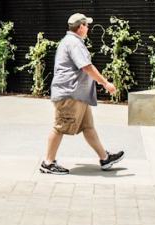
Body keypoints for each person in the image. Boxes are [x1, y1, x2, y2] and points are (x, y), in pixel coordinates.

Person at [40, 13, 125, 175]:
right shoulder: (74, 43)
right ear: (80, 27)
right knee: (59, 127)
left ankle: (105, 158)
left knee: (88, 127)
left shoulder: (71, 41)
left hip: (78, 95)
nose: (88, 28)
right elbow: (86, 66)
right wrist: (105, 83)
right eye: (86, 25)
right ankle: (48, 162)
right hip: (69, 95)